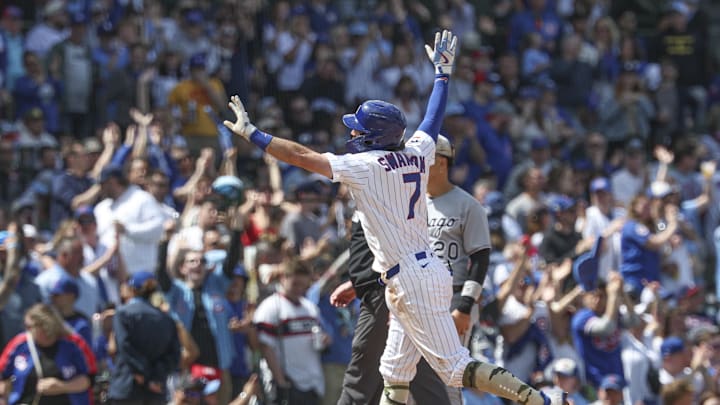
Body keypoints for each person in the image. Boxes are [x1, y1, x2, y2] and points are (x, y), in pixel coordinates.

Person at [224, 29, 566, 405]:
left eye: (357, 127)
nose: (351, 130)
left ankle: (537, 401)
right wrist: (442, 75)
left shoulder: (365, 165)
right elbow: (433, 119)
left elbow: (303, 156)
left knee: (453, 368)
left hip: (411, 279)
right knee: (394, 372)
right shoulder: (417, 153)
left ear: (372, 136)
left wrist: (255, 134)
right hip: (416, 272)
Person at [0, 303, 96, 405]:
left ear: (46, 327)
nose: (27, 330)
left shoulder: (74, 343)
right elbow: (3, 375)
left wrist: (62, 386)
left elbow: (89, 378)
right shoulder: (19, 344)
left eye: (30, 326)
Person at [108, 271, 180, 405]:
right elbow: (174, 355)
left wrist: (144, 374)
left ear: (132, 289)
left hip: (128, 387)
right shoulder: (166, 319)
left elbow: (124, 346)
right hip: (155, 390)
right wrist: (155, 376)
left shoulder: (123, 314)